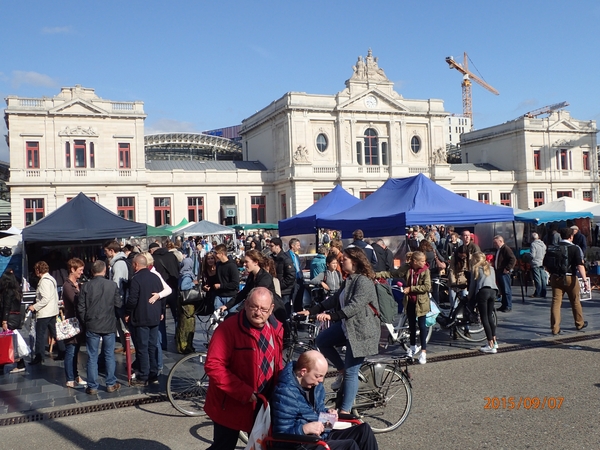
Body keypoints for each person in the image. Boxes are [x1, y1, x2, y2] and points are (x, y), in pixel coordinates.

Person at [302, 247, 380, 413]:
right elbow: (335, 299)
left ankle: (345, 412)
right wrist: (312, 311)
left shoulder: (364, 281)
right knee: (322, 341)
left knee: (352, 372)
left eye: (344, 258)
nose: (340, 261)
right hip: (348, 327)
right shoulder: (350, 279)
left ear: (355, 261)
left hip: (362, 331)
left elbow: (355, 306)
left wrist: (332, 317)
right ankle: (341, 370)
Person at [204, 287, 284, 450]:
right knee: (223, 446)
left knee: (262, 445)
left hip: (262, 401)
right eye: (254, 306)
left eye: (263, 309)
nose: (258, 312)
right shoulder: (228, 329)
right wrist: (243, 391)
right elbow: (214, 365)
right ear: (246, 304)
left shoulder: (276, 328)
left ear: (271, 310)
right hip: (231, 402)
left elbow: (277, 362)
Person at [271, 350, 379, 450]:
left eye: (323, 376)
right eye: (318, 376)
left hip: (322, 435)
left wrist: (328, 414)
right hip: (303, 443)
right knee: (350, 446)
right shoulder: (285, 393)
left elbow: (317, 411)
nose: (321, 380)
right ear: (303, 371)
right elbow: (281, 438)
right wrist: (304, 429)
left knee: (364, 430)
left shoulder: (315, 386)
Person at [77, 260, 122, 394]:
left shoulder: (86, 286)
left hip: (92, 324)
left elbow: (81, 307)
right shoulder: (112, 285)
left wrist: (85, 320)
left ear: (92, 271)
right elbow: (118, 304)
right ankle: (110, 383)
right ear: (104, 270)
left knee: (92, 356)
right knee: (109, 355)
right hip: (108, 324)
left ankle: (92, 386)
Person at [221, 250, 287, 326]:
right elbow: (243, 293)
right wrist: (226, 306)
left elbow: (254, 298)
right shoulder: (252, 275)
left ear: (256, 262)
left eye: (247, 262)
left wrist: (237, 311)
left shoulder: (265, 278)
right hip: (257, 308)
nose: (244, 264)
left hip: (271, 311)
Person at [126, 254, 165, 386]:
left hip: (141, 317)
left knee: (142, 347)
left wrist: (127, 312)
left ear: (136, 265)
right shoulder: (155, 277)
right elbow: (162, 296)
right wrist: (161, 312)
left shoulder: (136, 279)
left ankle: (143, 376)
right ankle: (153, 374)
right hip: (154, 317)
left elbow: (132, 299)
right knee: (152, 346)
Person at [548, 228, 589, 335]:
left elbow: (546, 263)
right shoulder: (575, 248)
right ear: (571, 236)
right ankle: (579, 323)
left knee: (556, 303)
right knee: (575, 301)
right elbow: (580, 265)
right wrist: (585, 280)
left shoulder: (553, 248)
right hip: (571, 277)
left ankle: (555, 328)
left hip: (556, 277)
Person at [28, 261, 63, 365]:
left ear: (38, 270)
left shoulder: (44, 281)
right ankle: (62, 351)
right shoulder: (51, 279)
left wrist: (34, 306)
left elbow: (45, 298)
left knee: (40, 334)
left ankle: (39, 356)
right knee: (55, 332)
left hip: (45, 312)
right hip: (52, 310)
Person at [62, 258, 87, 388]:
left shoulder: (76, 284)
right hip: (71, 322)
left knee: (76, 350)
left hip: (78, 322)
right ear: (72, 269)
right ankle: (70, 378)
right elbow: (75, 301)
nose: (82, 272)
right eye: (80, 270)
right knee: (71, 350)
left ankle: (75, 375)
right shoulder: (67, 285)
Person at [402, 251, 431, 364]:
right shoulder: (408, 268)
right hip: (410, 301)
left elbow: (427, 286)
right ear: (415, 262)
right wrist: (378, 275)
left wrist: (411, 289)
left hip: (421, 302)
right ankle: (412, 347)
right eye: (422, 261)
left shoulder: (425, 271)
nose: (425, 263)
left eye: (424, 261)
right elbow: (394, 273)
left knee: (422, 326)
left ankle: (423, 351)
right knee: (411, 326)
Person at [103, 240, 131, 354]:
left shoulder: (118, 264)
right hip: (120, 297)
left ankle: (129, 346)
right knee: (119, 323)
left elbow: (117, 284)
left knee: (123, 323)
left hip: (120, 298)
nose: (104, 253)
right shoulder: (116, 262)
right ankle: (125, 345)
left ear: (111, 250)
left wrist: (114, 299)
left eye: (106, 251)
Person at [468, 252, 499, 354]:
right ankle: (494, 341)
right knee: (490, 317)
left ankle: (490, 345)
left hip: (483, 292)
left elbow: (473, 286)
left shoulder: (476, 269)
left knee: (484, 318)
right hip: (493, 291)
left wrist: (469, 297)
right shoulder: (491, 268)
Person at [1, 269, 26, 374]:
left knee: (6, 342)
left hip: (9, 318)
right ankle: (20, 363)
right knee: (13, 342)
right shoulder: (17, 291)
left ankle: (4, 364)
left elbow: (6, 307)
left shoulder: (7, 292)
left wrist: (4, 320)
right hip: (15, 317)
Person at [270, 238, 296, 315]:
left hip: (284, 291)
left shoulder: (285, 259)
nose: (270, 248)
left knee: (284, 313)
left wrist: (280, 285)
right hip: (276, 291)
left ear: (278, 246)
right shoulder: (272, 258)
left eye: (272, 246)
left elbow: (291, 276)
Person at [176, 256, 197, 354]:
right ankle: (185, 346)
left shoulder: (182, 274)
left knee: (184, 325)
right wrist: (193, 283)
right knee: (187, 325)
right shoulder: (187, 275)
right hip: (187, 305)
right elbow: (184, 286)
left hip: (182, 303)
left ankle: (184, 345)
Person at [213, 244, 240, 311]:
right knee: (219, 319)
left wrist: (221, 286)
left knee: (232, 319)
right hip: (219, 297)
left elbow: (235, 283)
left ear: (222, 254)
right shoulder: (218, 265)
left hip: (230, 297)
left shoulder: (232, 266)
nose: (215, 255)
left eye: (216, 253)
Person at [493, 235, 516, 313]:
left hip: (504, 272)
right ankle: (504, 305)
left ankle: (508, 306)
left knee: (506, 290)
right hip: (499, 271)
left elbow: (513, 259)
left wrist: (507, 268)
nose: (495, 244)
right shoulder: (499, 249)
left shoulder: (505, 249)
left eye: (496, 243)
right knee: (502, 289)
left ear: (500, 241)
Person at [288, 237, 306, 312]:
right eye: (298, 245)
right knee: (292, 299)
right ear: (293, 245)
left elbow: (299, 268)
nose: (299, 247)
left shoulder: (297, 256)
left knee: (299, 300)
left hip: (299, 280)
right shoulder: (287, 256)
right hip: (292, 281)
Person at [530, 233, 547, 298]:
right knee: (543, 278)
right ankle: (543, 292)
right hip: (542, 262)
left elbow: (532, 255)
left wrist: (527, 256)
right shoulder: (543, 244)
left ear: (532, 238)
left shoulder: (533, 244)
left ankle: (537, 293)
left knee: (537, 279)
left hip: (535, 263)